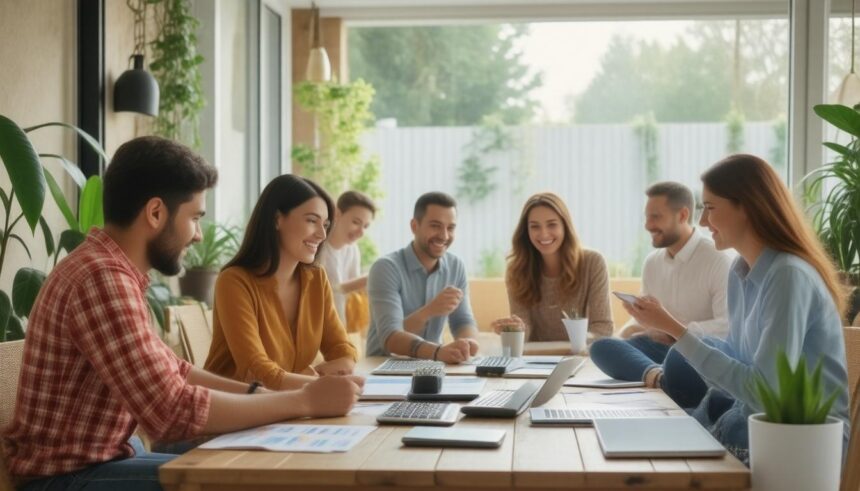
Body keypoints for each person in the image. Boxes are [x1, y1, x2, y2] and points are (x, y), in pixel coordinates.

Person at [1, 137, 363, 490]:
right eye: (195, 217)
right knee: (262, 480)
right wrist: (301, 401)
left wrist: (262, 394)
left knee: (266, 470)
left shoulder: (115, 272)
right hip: (69, 477)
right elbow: (169, 412)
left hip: (109, 459)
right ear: (156, 213)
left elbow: (177, 371)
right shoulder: (101, 279)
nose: (198, 237)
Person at [622, 154, 850, 462]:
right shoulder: (740, 270)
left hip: (804, 440)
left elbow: (762, 394)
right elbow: (739, 365)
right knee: (648, 434)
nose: (702, 222)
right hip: (760, 423)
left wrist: (675, 330)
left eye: (710, 208)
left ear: (748, 207)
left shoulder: (788, 276)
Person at [205, 175, 359, 390]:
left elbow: (342, 349)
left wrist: (318, 374)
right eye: (312, 220)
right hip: (236, 410)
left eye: (325, 224)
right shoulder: (234, 282)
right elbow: (257, 370)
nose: (322, 234)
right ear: (277, 219)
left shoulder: (316, 279)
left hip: (289, 409)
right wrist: (317, 383)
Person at [590, 182, 732, 402]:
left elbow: (727, 325)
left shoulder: (718, 259)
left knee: (677, 357)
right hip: (658, 348)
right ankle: (660, 379)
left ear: (683, 215)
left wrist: (673, 331)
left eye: (655, 217)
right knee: (602, 347)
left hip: (694, 352)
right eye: (646, 217)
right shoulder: (652, 262)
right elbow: (649, 325)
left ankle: (656, 374)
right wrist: (632, 325)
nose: (647, 225)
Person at [365, 192, 479, 362]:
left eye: (451, 228)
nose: (444, 235)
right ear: (414, 226)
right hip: (383, 366)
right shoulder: (386, 268)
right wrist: (430, 311)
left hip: (432, 364)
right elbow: (391, 337)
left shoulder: (456, 266)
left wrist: (468, 342)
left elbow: (463, 320)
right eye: (435, 225)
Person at [491, 192, 613, 341]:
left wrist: (576, 345)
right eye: (535, 226)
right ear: (526, 231)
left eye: (552, 224)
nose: (544, 234)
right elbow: (525, 328)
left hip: (580, 357)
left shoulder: (593, 262)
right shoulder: (516, 269)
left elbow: (603, 327)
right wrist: (515, 330)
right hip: (536, 360)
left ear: (565, 226)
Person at [317, 190, 376, 324]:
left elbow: (352, 296)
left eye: (366, 226)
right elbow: (316, 294)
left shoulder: (353, 249)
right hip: (318, 325)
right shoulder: (317, 248)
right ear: (337, 214)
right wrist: (359, 282)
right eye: (356, 222)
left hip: (341, 325)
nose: (361, 232)